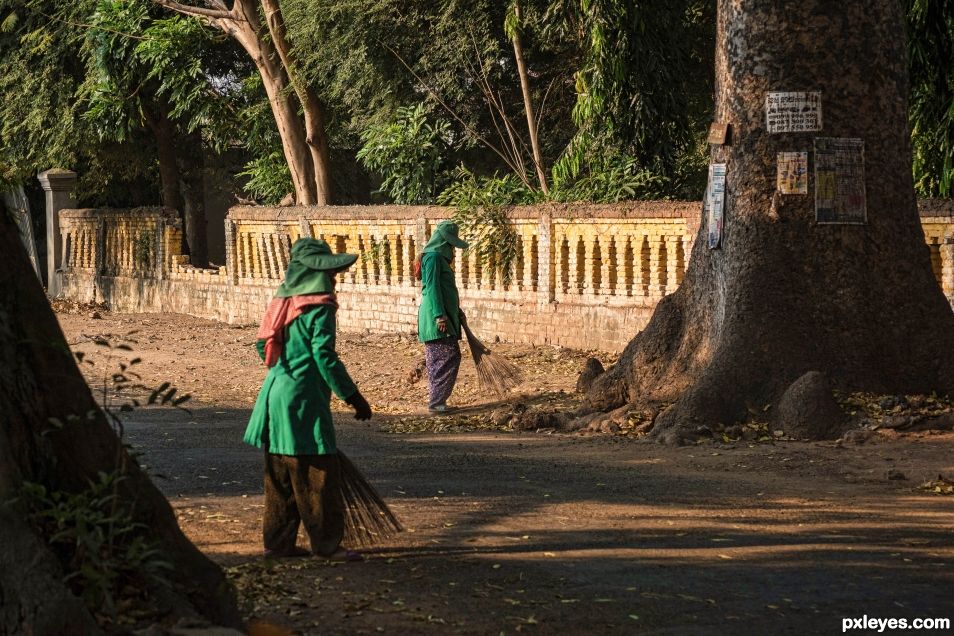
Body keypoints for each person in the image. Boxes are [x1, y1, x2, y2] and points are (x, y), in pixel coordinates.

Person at [244, 238, 372, 560]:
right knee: (318, 476)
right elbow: (324, 355)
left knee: (280, 478)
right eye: (331, 273)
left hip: (273, 398)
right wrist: (353, 396)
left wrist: (286, 370)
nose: (334, 278)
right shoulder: (320, 306)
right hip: (303, 403)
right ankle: (327, 546)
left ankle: (277, 545)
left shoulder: (281, 303)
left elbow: (263, 347)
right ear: (320, 274)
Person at [417, 220, 469, 415]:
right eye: (450, 245)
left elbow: (444, 289)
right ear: (443, 242)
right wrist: (440, 315)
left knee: (438, 358)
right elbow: (432, 289)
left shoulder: (434, 258)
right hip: (436, 318)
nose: (452, 250)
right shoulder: (433, 258)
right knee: (448, 356)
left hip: (443, 315)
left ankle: (437, 401)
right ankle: (437, 403)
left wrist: (455, 311)